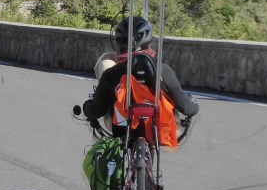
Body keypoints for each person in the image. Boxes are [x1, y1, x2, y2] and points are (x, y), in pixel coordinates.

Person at [82, 15, 199, 147]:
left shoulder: (111, 74)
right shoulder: (163, 70)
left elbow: (97, 110)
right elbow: (186, 106)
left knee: (106, 65)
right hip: (158, 127)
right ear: (148, 42)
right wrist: (194, 105)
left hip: (121, 127)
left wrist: (87, 107)